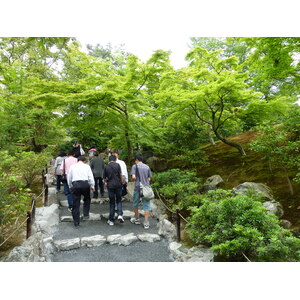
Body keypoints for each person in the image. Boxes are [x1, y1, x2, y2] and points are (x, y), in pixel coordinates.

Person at [68, 156, 95, 228]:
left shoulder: (72, 167)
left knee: (76, 203)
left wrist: (70, 185)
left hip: (76, 184)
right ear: (84, 160)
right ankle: (85, 214)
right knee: (87, 198)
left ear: (77, 160)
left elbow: (69, 177)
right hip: (85, 184)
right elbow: (90, 177)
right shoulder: (87, 166)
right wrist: (92, 186)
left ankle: (76, 222)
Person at [130, 154, 152, 229]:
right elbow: (149, 179)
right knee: (146, 205)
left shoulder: (134, 166)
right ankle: (146, 223)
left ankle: (137, 219)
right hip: (145, 188)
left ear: (136, 160)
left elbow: (133, 177)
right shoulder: (147, 167)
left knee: (135, 204)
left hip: (137, 188)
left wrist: (133, 179)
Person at [103, 155, 124, 225]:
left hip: (110, 185)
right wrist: (121, 181)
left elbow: (104, 178)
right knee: (119, 200)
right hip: (118, 184)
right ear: (115, 159)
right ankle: (120, 214)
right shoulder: (118, 165)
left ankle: (111, 220)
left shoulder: (106, 166)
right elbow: (120, 174)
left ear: (109, 160)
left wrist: (106, 182)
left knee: (112, 202)